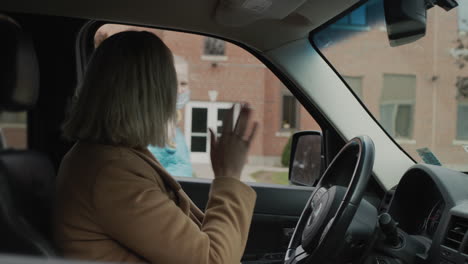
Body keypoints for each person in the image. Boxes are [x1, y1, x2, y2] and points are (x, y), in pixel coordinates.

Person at [54, 31, 258, 264]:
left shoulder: (115, 157)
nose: (177, 95)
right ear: (151, 96)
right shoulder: (110, 174)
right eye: (172, 85)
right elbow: (213, 260)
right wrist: (228, 174)